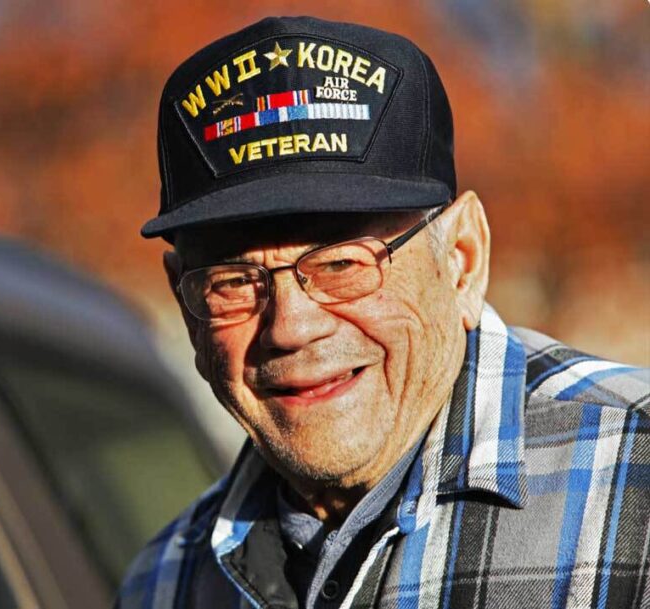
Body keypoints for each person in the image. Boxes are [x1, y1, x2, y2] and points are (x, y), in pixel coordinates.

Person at [116, 16, 649, 609]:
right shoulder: (167, 584)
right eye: (234, 282)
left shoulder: (636, 486)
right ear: (185, 308)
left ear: (462, 260)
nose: (291, 327)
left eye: (343, 265)